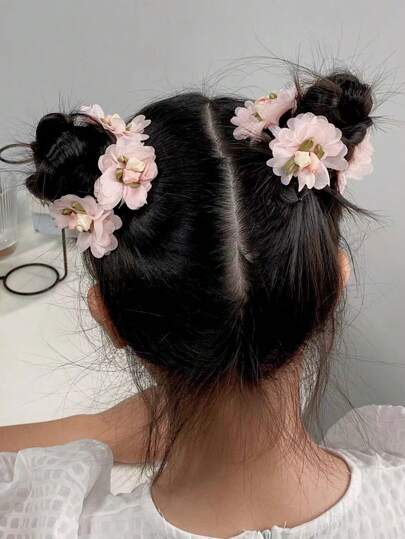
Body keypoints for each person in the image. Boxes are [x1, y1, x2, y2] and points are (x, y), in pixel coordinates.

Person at [1, 67, 403, 539]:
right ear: (335, 284)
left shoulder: (49, 522)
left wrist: (102, 429)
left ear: (107, 317)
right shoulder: (396, 494)